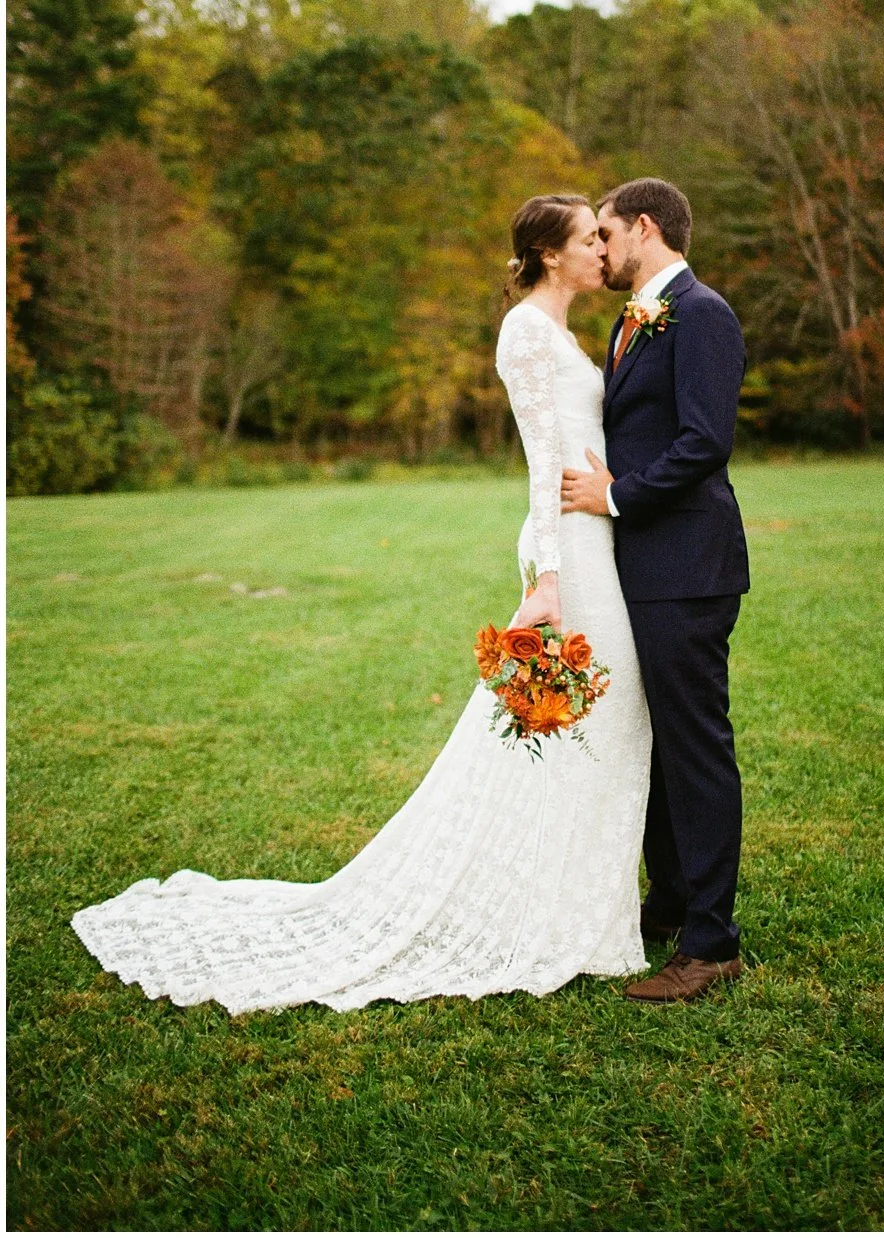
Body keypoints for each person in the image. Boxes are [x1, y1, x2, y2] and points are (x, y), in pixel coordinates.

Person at [71, 194, 655, 1011]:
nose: (604, 248)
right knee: (572, 717)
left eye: (604, 236)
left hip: (593, 536)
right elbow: (538, 460)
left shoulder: (562, 331)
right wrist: (548, 574)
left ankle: (582, 907)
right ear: (550, 254)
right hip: (568, 550)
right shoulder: (524, 332)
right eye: (590, 238)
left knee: (594, 720)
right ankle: (555, 913)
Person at [561, 177, 750, 1005]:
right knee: (662, 750)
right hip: (644, 568)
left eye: (606, 234)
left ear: (645, 227)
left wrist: (614, 495)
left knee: (696, 749)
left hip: (688, 568)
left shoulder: (701, 313)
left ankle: (712, 944)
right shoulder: (630, 321)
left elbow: (705, 443)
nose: (599, 249)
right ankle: (670, 904)